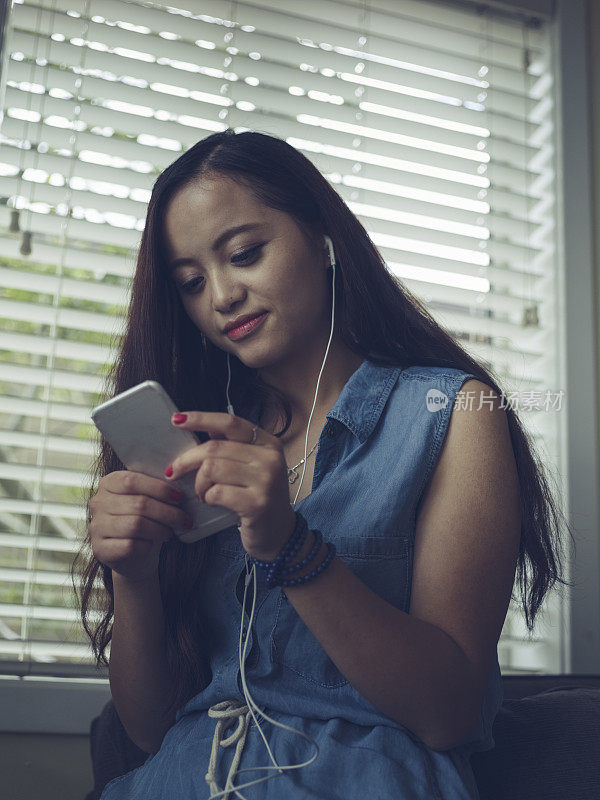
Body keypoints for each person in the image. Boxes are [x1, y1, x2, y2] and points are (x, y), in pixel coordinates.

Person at [73, 129, 573, 800]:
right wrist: (132, 576)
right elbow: (146, 727)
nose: (221, 295)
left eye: (245, 254)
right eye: (191, 282)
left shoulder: (453, 413)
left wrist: (290, 544)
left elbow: (447, 711)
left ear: (323, 239)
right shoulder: (192, 445)